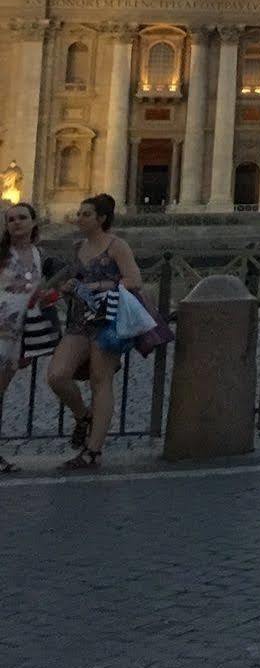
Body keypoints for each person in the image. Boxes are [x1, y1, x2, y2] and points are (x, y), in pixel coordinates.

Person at [45, 194, 142, 471]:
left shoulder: (117, 246)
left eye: (86, 214)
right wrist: (66, 288)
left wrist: (99, 285)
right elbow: (75, 278)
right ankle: (84, 416)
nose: (79, 218)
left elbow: (134, 279)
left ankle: (93, 450)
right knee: (57, 375)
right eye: (79, 213)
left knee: (101, 382)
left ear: (101, 218)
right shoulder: (78, 247)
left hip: (106, 322)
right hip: (78, 321)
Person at [1, 201, 61, 475]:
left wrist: (46, 297)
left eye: (22, 218)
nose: (16, 223)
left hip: (18, 335)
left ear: (34, 223)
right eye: (11, 219)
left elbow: (38, 292)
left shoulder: (40, 255)